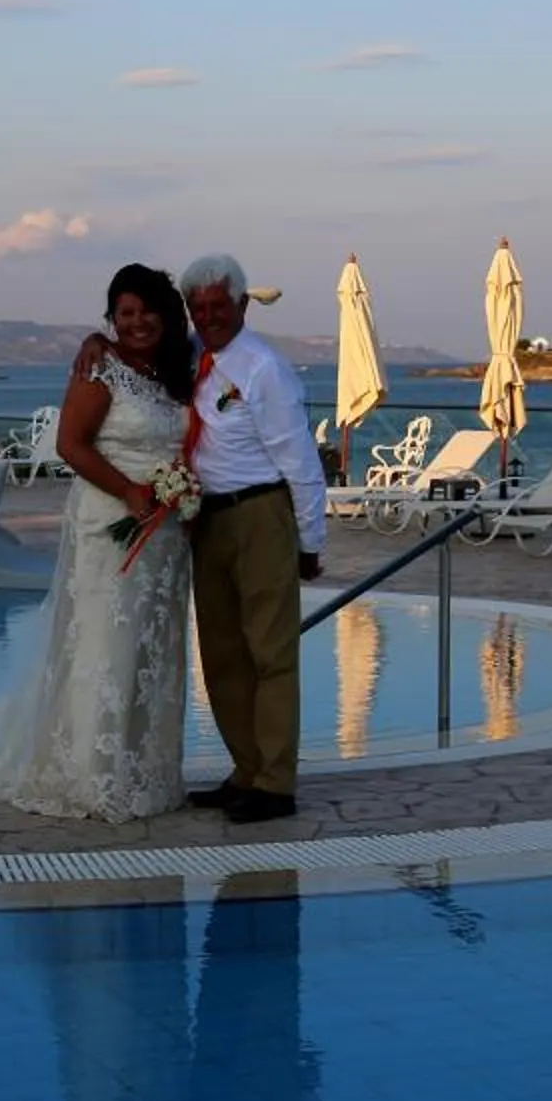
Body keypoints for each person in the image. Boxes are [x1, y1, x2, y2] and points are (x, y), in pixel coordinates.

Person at [0, 264, 200, 821]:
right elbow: (71, 445)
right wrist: (129, 491)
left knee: (149, 649)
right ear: (111, 320)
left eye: (147, 311)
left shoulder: (177, 371)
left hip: (166, 536)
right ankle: (92, 775)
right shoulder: (100, 369)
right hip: (111, 523)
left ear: (167, 315)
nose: (138, 322)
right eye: (125, 314)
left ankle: (143, 771)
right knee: (104, 645)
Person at [179, 253, 327, 824]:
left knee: (270, 655)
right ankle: (246, 768)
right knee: (222, 656)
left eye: (219, 305)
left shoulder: (264, 368)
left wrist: (310, 542)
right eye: (200, 308)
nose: (210, 316)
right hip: (208, 520)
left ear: (241, 304)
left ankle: (275, 782)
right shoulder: (196, 359)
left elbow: (300, 460)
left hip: (261, 514)